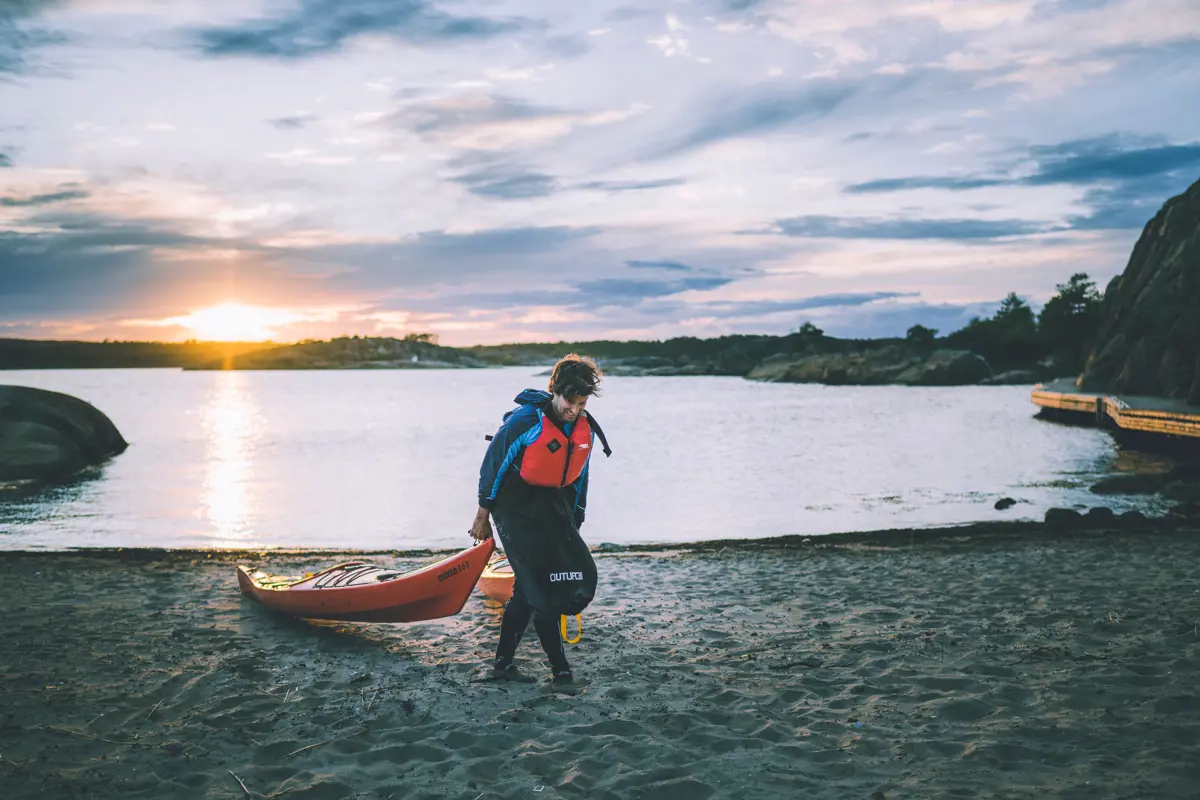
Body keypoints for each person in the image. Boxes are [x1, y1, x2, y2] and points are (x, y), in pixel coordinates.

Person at [470, 354, 610, 684]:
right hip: (514, 507)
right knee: (540, 588)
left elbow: (581, 476)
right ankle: (561, 670)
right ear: (554, 390)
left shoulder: (581, 427)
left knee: (526, 589)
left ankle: (503, 666)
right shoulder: (524, 421)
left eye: (581, 402)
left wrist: (575, 518)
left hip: (552, 505)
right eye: (568, 401)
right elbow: (493, 467)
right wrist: (481, 517)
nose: (574, 409)